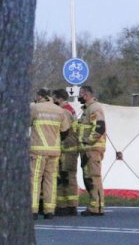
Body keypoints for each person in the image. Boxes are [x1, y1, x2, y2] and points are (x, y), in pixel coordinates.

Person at [30, 88, 72, 220]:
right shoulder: (59, 110)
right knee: (51, 180)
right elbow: (65, 131)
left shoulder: (35, 108)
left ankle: (33, 210)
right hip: (54, 151)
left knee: (35, 179)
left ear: (40, 96)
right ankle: (49, 210)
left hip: (38, 150)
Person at [76, 85, 107, 216]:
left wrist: (88, 140)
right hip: (87, 149)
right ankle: (93, 205)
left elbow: (99, 127)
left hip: (92, 149)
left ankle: (97, 207)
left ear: (86, 95)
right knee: (89, 178)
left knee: (94, 178)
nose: (78, 97)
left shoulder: (94, 108)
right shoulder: (87, 109)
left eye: (80, 94)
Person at [52, 88, 79, 216]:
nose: (53, 101)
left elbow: (64, 131)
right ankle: (64, 205)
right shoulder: (69, 110)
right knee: (64, 177)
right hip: (69, 148)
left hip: (67, 148)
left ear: (60, 99)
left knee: (67, 177)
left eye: (54, 99)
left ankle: (70, 205)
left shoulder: (64, 112)